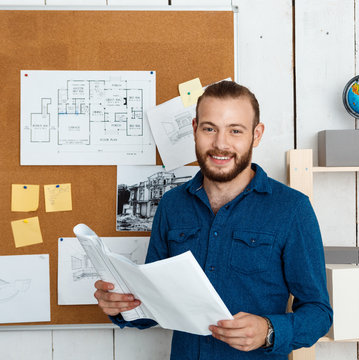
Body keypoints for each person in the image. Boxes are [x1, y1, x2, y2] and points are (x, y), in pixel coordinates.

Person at [94, 80, 332, 359]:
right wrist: (121, 306)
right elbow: (155, 305)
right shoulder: (172, 205)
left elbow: (319, 313)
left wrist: (269, 330)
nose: (221, 144)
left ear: (256, 135)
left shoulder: (292, 209)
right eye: (210, 129)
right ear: (195, 129)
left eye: (235, 131)